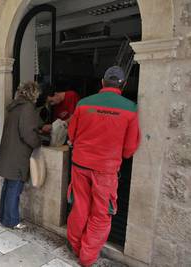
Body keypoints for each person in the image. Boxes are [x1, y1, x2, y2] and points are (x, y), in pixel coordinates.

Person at [66, 66, 140, 267]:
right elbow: (129, 149)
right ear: (123, 85)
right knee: (101, 214)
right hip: (106, 171)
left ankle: (75, 246)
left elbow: (71, 135)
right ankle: (87, 257)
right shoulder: (130, 108)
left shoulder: (83, 104)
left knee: (80, 207)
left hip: (80, 165)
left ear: (102, 82)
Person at [0, 81, 41, 229]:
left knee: (8, 186)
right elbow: (27, 133)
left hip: (9, 153)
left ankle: (3, 217)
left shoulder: (15, 106)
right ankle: (11, 220)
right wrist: (38, 142)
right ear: (33, 94)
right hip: (18, 155)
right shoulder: (27, 108)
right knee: (14, 189)